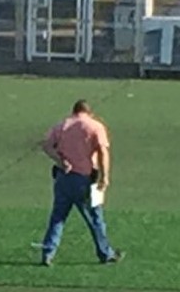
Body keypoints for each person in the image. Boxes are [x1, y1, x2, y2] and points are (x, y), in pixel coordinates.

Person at [37, 99, 123, 266]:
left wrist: (60, 160)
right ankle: (105, 253)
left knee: (58, 217)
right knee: (95, 217)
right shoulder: (95, 126)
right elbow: (103, 152)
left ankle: (48, 253)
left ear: (74, 111)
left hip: (63, 178)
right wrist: (105, 177)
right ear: (89, 112)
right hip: (85, 180)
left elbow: (47, 145)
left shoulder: (62, 125)